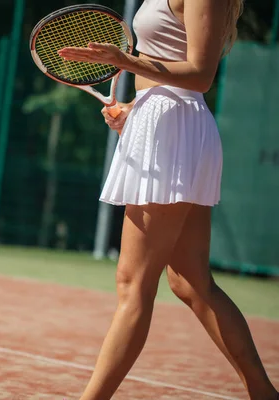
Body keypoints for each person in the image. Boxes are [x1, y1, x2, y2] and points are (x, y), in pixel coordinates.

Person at [57, 0, 279, 399]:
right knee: (191, 282)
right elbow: (168, 66)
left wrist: (125, 61)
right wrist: (134, 109)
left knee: (133, 283)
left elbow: (200, 74)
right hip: (163, 121)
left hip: (172, 126)